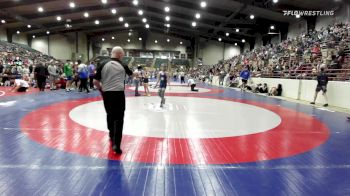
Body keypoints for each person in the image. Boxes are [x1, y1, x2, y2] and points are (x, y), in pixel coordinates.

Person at [93, 46, 133, 154]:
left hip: (107, 94)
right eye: (123, 54)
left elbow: (95, 82)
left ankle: (111, 134)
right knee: (119, 119)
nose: (123, 56)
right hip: (119, 94)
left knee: (110, 115)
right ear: (119, 54)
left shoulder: (102, 64)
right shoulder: (123, 65)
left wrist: (102, 90)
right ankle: (117, 145)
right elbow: (132, 74)